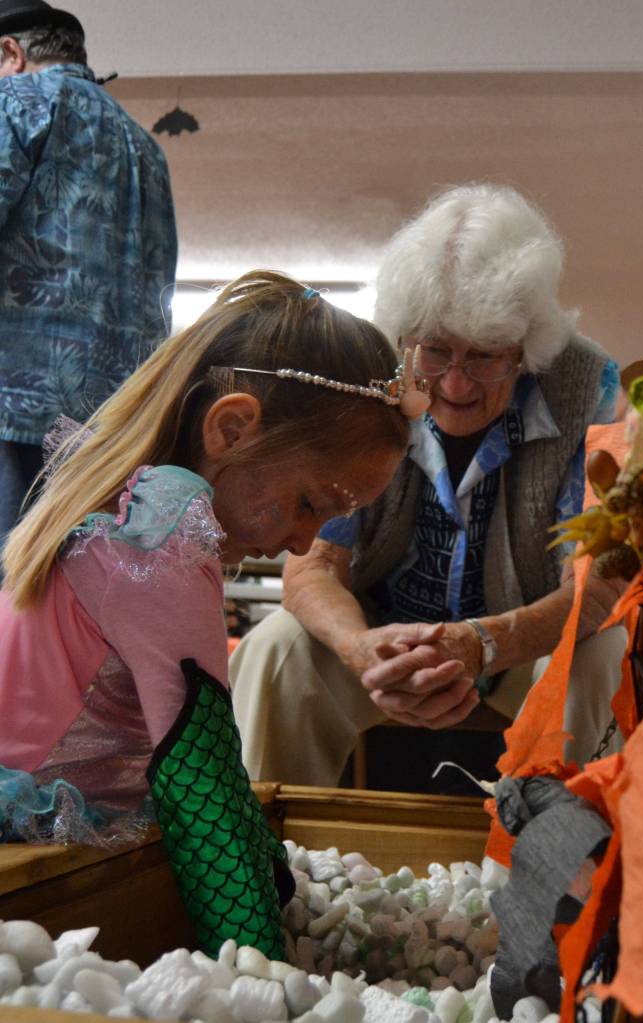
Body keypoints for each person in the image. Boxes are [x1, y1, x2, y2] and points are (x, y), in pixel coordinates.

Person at [0, 271, 410, 955]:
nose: (306, 542)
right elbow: (200, 777)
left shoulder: (134, 507)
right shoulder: (166, 536)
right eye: (310, 502)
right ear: (232, 427)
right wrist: (257, 964)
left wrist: (276, 881)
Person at [230, 183, 626, 786]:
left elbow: (600, 583)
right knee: (277, 650)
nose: (457, 385)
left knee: (598, 658)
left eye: (487, 356)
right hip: (384, 639)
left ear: (526, 348)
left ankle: (559, 865)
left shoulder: (588, 387)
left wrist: (482, 643)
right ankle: (265, 856)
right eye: (435, 352)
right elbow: (313, 567)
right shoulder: (367, 377)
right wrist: (364, 649)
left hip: (526, 644)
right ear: (406, 338)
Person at [0, 0, 177, 560]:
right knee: (65, 609)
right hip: (110, 430)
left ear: (10, 52)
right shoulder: (145, 146)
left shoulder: (14, 100)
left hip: (14, 413)